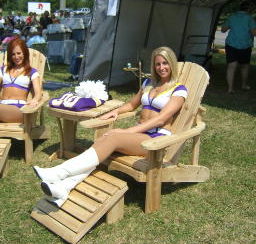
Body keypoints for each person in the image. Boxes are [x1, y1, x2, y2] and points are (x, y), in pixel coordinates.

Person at [33, 46, 188, 206]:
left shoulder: (179, 90)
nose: (161, 67)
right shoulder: (149, 83)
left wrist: (127, 131)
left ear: (172, 64)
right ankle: (64, 186)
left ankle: (59, 172)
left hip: (156, 140)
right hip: (140, 137)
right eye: (158, 64)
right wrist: (115, 112)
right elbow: (131, 105)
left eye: (165, 63)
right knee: (103, 142)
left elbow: (160, 120)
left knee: (112, 136)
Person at [221, 1, 256, 93]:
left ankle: (230, 88)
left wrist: (233, 26)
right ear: (249, 9)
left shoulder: (232, 17)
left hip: (231, 44)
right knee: (244, 66)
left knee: (231, 66)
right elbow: (254, 33)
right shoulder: (250, 19)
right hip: (245, 45)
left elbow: (223, 30)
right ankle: (244, 85)